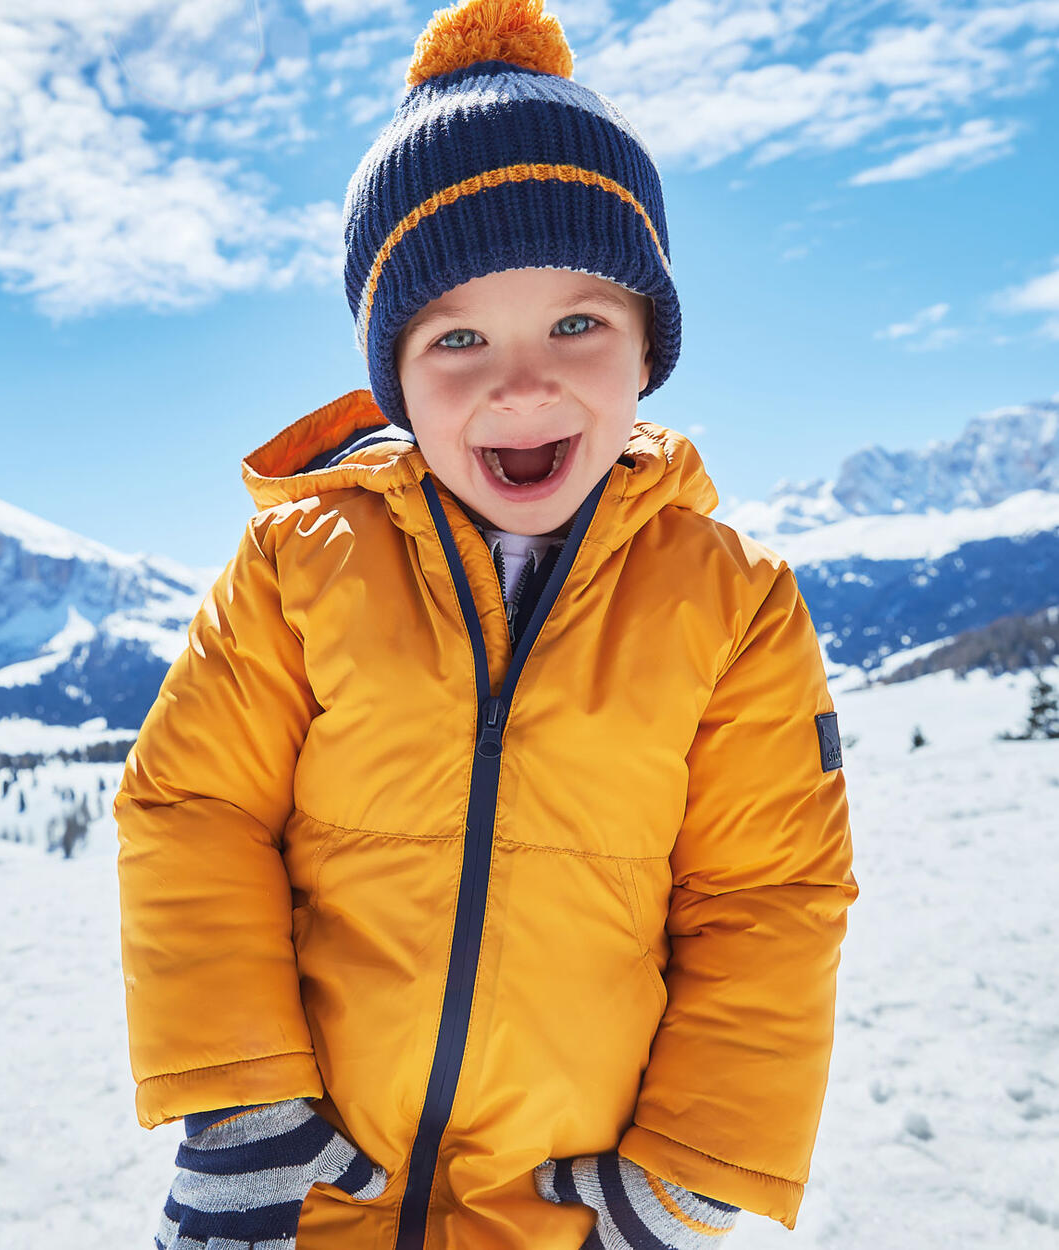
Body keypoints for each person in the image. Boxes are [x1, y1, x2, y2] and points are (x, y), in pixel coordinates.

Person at [114, 1, 857, 1247]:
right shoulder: (298, 567)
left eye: (577, 323)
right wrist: (239, 1099)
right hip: (316, 1184)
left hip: (568, 1204)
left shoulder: (730, 602)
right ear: (391, 375)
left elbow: (769, 894)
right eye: (456, 335)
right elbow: (195, 813)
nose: (521, 380)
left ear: (647, 352)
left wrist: (694, 1159)